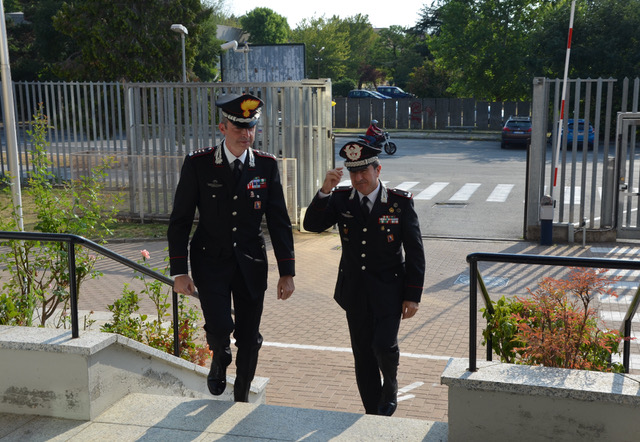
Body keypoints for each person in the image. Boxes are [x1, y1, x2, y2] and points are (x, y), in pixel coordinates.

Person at [168, 93, 295, 402]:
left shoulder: (265, 166)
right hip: (209, 261)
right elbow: (181, 220)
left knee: (250, 337)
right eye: (238, 128)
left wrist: (286, 272)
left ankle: (241, 394)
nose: (245, 135)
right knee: (219, 326)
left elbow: (279, 220)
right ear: (222, 128)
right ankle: (220, 357)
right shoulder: (199, 164)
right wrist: (179, 272)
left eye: (250, 128)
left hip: (251, 263)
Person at [302, 140, 425, 416]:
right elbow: (311, 225)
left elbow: (415, 251)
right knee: (363, 355)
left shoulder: (398, 203)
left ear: (377, 170)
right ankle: (372, 411)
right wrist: (324, 190)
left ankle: (390, 384)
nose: (358, 179)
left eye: (364, 172)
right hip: (354, 291)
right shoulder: (340, 199)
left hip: (390, 290)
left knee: (384, 345)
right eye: (353, 172)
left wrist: (413, 295)